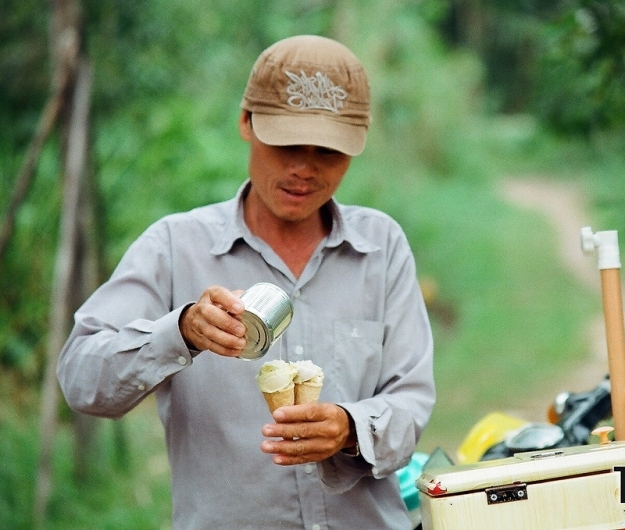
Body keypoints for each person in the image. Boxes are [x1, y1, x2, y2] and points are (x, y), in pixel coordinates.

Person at [57, 35, 435, 530]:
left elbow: (410, 401)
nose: (304, 168)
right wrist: (183, 331)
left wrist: (349, 429)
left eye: (328, 151)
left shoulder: (381, 247)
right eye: (286, 144)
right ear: (245, 123)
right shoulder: (175, 247)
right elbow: (82, 379)